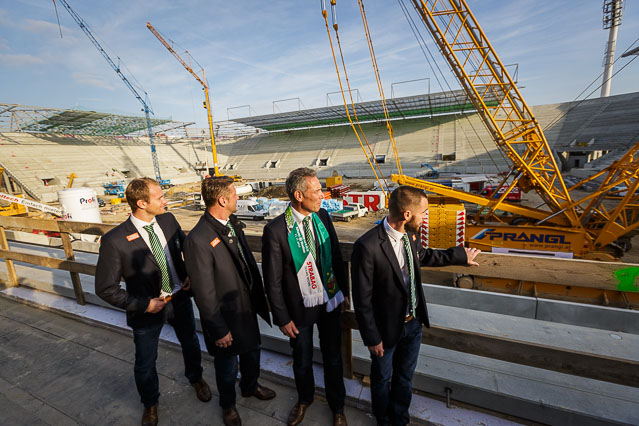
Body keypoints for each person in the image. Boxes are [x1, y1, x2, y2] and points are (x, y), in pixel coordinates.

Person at [351, 185, 480, 426]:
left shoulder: (411, 236)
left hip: (413, 326)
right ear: (407, 215)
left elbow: (426, 256)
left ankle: (400, 419)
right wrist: (371, 337)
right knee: (381, 379)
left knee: (404, 378)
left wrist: (461, 256)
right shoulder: (367, 246)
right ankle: (383, 420)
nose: (425, 218)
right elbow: (362, 299)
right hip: (385, 331)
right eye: (423, 213)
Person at [95, 177, 211, 426]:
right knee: (146, 361)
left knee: (190, 342)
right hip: (146, 309)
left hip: (179, 297)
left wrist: (187, 273)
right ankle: (150, 403)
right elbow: (105, 288)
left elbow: (185, 248)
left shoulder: (168, 220)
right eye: (159, 197)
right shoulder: (114, 240)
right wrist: (144, 305)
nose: (165, 200)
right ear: (141, 203)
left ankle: (196, 378)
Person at [184, 176, 275, 426]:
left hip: (245, 309)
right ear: (222, 199)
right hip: (224, 317)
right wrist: (218, 329)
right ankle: (228, 405)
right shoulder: (198, 239)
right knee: (226, 367)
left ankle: (250, 386)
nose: (238, 197)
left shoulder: (231, 223)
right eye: (234, 194)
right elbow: (204, 292)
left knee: (252, 353)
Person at [262, 167, 349, 426]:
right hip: (298, 309)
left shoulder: (323, 216)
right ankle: (304, 399)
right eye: (317, 191)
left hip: (329, 302)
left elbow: (335, 255)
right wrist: (281, 317)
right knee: (302, 360)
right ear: (299, 195)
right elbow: (273, 279)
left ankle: (338, 406)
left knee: (333, 358)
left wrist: (343, 294)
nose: (323, 195)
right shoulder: (276, 230)